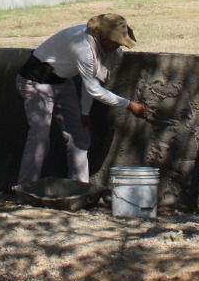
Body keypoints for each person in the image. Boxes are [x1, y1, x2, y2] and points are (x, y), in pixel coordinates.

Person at [15, 13, 150, 186]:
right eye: (115, 41)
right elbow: (94, 89)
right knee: (40, 138)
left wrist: (85, 112)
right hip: (36, 82)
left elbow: (93, 80)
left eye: (121, 41)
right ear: (102, 38)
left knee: (79, 134)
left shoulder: (113, 51)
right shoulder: (83, 48)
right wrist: (129, 105)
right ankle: (26, 188)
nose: (119, 45)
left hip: (63, 82)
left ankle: (79, 188)